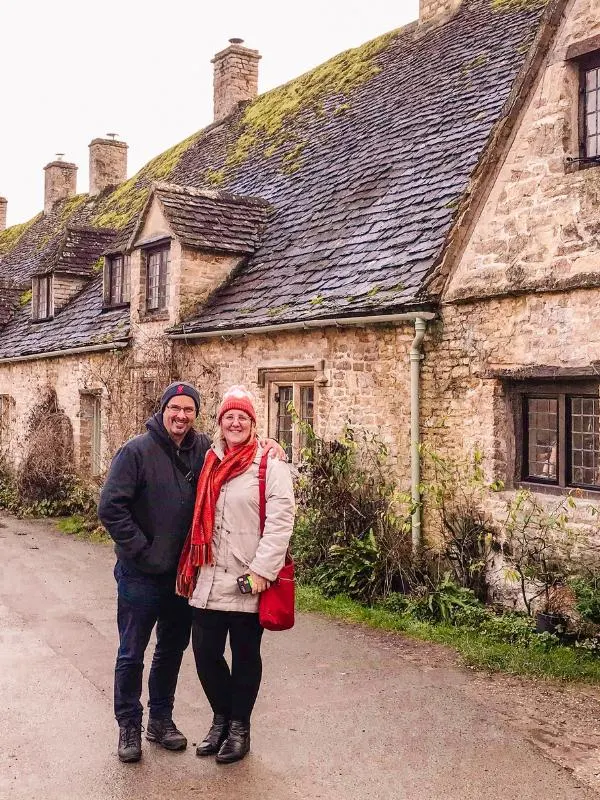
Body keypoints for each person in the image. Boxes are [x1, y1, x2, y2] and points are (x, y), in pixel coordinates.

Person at [98, 381, 284, 764]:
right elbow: (111, 508)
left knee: (170, 650)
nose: (180, 416)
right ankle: (129, 725)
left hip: (183, 577)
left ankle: (161, 721)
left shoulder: (205, 452)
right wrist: (143, 552)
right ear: (162, 409)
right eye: (174, 408)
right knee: (132, 653)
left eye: (188, 410)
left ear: (197, 416)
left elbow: (243, 452)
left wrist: (271, 446)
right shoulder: (136, 451)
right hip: (141, 574)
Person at [177, 385, 295, 764]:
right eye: (229, 416)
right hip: (208, 577)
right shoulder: (208, 460)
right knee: (206, 654)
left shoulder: (270, 466)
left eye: (242, 416)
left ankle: (239, 727)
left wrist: (262, 572)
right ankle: (221, 718)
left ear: (253, 423)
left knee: (245, 656)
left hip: (249, 580)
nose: (235, 422)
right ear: (220, 422)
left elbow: (281, 523)